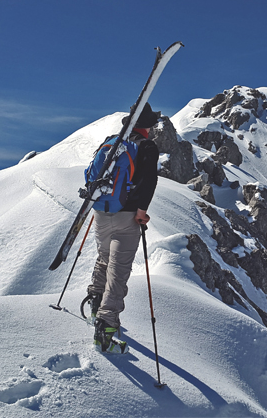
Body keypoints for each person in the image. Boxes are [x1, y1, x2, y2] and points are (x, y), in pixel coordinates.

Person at [87, 102, 160, 354]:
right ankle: (106, 328)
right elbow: (148, 180)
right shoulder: (146, 146)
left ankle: (95, 303)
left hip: (101, 210)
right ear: (147, 126)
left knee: (104, 259)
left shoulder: (113, 142)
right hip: (126, 216)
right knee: (119, 272)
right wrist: (141, 211)